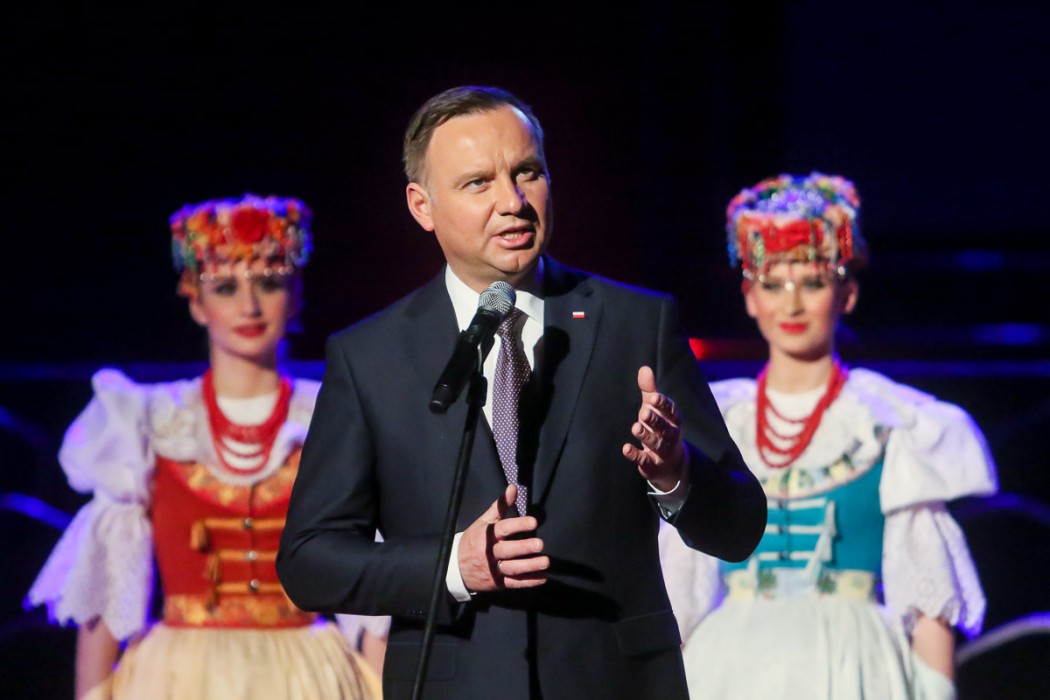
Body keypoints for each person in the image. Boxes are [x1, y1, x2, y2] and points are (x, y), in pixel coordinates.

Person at [276, 85, 767, 700]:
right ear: (422, 206)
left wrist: (676, 475)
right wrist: (454, 566)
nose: (512, 202)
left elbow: (739, 528)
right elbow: (309, 561)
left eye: (527, 172)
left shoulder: (637, 325)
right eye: (478, 183)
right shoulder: (369, 357)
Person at [27, 194, 385, 699]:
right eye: (225, 288)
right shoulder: (148, 422)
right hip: (179, 677)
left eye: (269, 284)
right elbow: (109, 594)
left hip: (307, 674)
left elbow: (374, 601)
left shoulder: (332, 415)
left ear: (294, 297)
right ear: (197, 302)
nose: (249, 306)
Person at [659, 173, 999, 699]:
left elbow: (928, 600)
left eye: (813, 283)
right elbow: (679, 594)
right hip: (729, 668)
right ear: (750, 298)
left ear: (848, 293)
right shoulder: (719, 420)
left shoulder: (895, 424)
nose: (791, 305)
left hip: (856, 666)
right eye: (773, 285)